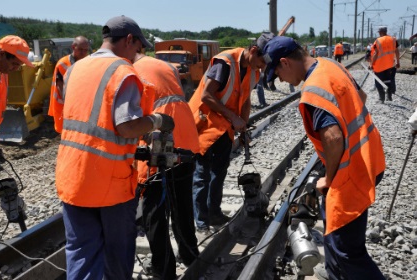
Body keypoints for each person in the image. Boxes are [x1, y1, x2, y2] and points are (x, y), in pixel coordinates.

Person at [55, 15, 174, 280]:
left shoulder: (75, 68)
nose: (135, 56)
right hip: (110, 183)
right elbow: (126, 126)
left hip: (73, 176)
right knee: (117, 253)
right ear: (128, 40)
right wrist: (156, 120)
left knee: (81, 251)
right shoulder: (122, 71)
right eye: (136, 49)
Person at [263, 36, 386, 280]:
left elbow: (333, 138)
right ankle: (334, 275)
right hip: (370, 156)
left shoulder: (313, 91)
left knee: (347, 250)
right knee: (333, 230)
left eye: (277, 72)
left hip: (352, 171)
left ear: (286, 63)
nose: (279, 79)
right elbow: (360, 98)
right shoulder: (331, 65)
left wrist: (329, 178)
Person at [188, 38, 267, 236]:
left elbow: (246, 99)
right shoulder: (225, 63)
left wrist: (244, 127)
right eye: (263, 61)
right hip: (204, 125)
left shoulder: (253, 71)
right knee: (202, 175)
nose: (263, 66)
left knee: (219, 172)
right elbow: (207, 95)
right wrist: (233, 117)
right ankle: (201, 221)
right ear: (254, 50)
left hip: (225, 128)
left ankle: (214, 213)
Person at [133, 53, 200, 279]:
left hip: (160, 141)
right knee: (182, 205)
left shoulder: (130, 70)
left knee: (154, 211)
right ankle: (190, 255)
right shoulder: (165, 66)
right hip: (185, 136)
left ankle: (164, 271)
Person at [48, 36, 90, 133]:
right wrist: (71, 105)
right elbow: (60, 87)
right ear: (73, 47)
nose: (83, 53)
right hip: (64, 106)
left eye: (85, 50)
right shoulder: (63, 64)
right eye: (80, 49)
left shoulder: (88, 62)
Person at [0, 35, 34, 132]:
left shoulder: (3, 73)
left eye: (19, 65)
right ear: (2, 54)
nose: (16, 69)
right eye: (14, 64)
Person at [370, 26, 400, 103]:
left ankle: (381, 98)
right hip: (390, 65)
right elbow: (396, 51)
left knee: (378, 81)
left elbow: (376, 53)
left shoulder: (378, 40)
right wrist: (398, 62)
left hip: (379, 66)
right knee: (388, 80)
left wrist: (371, 64)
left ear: (380, 32)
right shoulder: (393, 39)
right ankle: (389, 96)